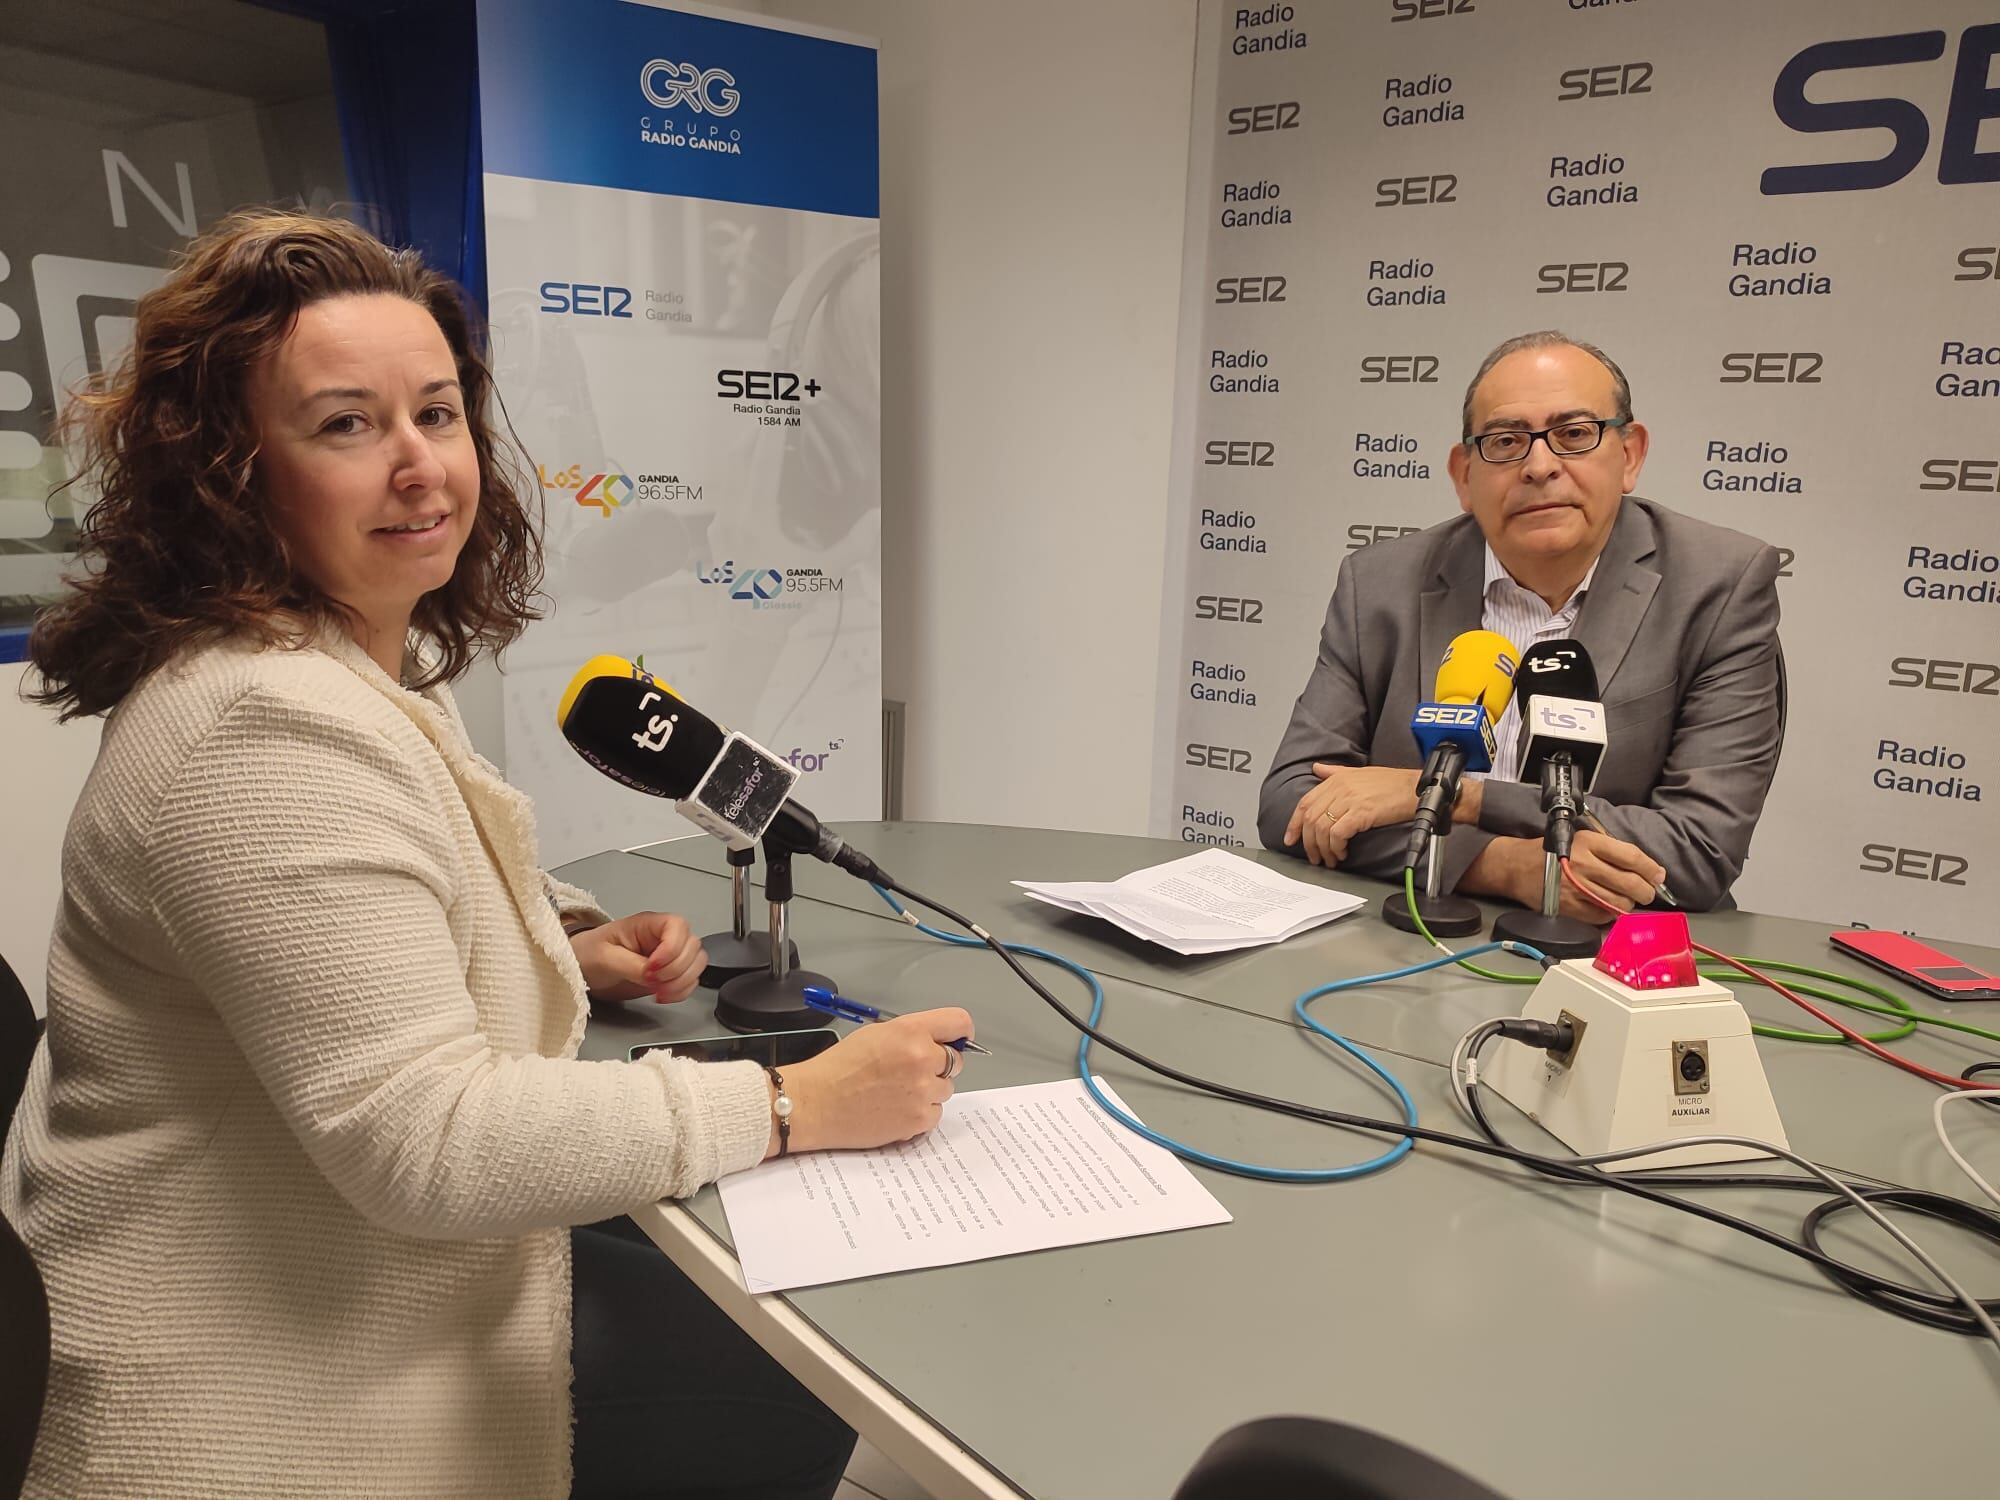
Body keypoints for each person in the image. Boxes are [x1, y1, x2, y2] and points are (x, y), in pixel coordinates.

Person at [0, 209, 971, 1499]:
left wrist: (561, 938)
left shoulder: (340, 656)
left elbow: (396, 871)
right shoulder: (257, 727)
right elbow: (427, 1141)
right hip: (262, 1393)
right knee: (770, 1376)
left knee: (735, 1327)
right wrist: (794, 1106)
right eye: (347, 424)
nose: (421, 467)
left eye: (438, 414)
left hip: (343, 1275)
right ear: (233, 473)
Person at [1258, 330, 1784, 918]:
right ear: (1464, 476)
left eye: (1575, 435)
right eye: (1506, 442)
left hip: (1614, 965)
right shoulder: (1381, 583)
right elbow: (1293, 803)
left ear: (1630, 454)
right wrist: (1504, 866)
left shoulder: (1719, 585)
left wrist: (1454, 798)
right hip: (1409, 938)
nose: (1540, 466)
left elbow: (1697, 848)